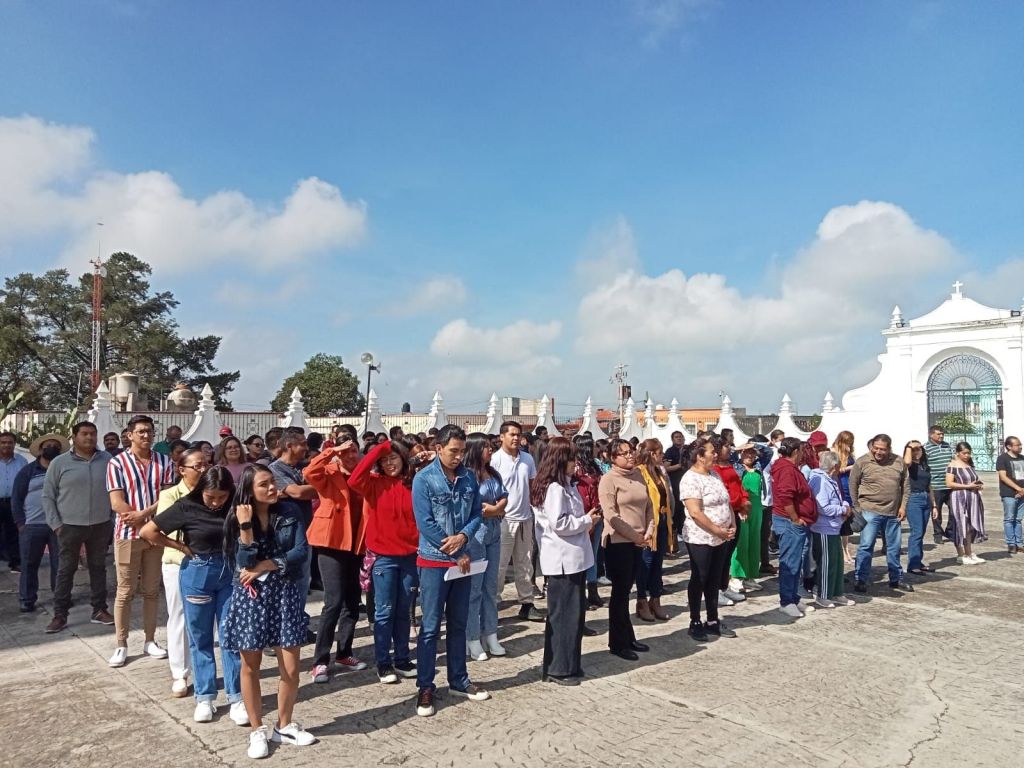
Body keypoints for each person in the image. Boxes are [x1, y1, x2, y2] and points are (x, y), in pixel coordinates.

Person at [220, 465, 315, 758]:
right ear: (249, 491)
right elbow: (244, 562)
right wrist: (246, 526)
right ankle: (257, 729)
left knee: (291, 668)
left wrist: (267, 564)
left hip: (285, 592)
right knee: (251, 666)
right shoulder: (237, 518)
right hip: (251, 597)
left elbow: (301, 551)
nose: (272, 488)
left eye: (272, 482)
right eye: (264, 484)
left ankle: (284, 725)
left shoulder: (289, 512)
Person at [141, 466, 247, 726]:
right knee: (200, 637)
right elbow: (148, 532)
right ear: (202, 491)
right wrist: (179, 546)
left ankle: (237, 697)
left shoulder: (236, 505)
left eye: (221, 497)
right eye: (210, 497)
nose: (216, 503)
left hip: (230, 571)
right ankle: (205, 696)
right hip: (198, 571)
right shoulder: (186, 506)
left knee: (231, 636)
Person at [411, 425, 489, 718]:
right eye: (453, 451)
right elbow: (425, 523)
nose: (458, 457)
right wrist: (455, 550)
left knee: (459, 622)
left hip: (463, 562)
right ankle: (425, 686)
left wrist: (465, 537)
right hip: (435, 561)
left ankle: (459, 679)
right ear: (438, 448)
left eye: (461, 451)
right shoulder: (424, 479)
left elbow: (476, 513)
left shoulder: (468, 477)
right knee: (430, 627)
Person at [346, 439, 420, 683]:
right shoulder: (373, 483)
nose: (389, 464)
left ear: (403, 459)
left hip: (410, 557)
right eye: (384, 461)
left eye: (394, 458)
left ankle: (402, 658)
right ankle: (383, 662)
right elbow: (354, 479)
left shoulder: (414, 482)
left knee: (403, 611)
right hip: (384, 558)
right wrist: (381, 447)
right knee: (384, 611)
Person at [106, 414, 176, 667]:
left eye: (149, 431)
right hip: (128, 534)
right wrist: (138, 520)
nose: (146, 435)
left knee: (151, 590)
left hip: (156, 533)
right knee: (125, 591)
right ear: (130, 435)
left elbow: (167, 497)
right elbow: (117, 501)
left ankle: (150, 639)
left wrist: (145, 517)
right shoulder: (117, 463)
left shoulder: (164, 462)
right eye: (141, 431)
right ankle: (121, 643)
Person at [533, 437, 598, 685]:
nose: (575, 464)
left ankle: (570, 663)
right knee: (563, 617)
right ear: (560, 460)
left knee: (574, 615)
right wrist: (587, 521)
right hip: (562, 560)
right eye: (571, 459)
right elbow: (559, 523)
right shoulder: (554, 488)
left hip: (574, 558)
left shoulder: (566, 485)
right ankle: (558, 668)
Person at [303, 438, 369, 681]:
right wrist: (330, 451)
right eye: (346, 452)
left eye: (354, 451)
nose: (351, 455)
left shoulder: (364, 474)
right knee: (333, 601)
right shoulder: (329, 471)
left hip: (356, 542)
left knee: (352, 601)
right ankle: (320, 660)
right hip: (331, 541)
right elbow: (309, 472)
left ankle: (344, 652)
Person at [42, 422, 114, 632]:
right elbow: (48, 495)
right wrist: (56, 524)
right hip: (69, 526)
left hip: (100, 524)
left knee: (98, 568)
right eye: (84, 434)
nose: (89, 438)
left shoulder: (107, 460)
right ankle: (60, 615)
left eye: (93, 434)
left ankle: (99, 609)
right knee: (66, 569)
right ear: (74, 437)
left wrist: (111, 518)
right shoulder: (60, 463)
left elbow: (116, 489)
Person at [151, 447, 207, 697]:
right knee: (179, 617)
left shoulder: (212, 493)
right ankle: (180, 673)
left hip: (209, 563)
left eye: (206, 464)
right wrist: (182, 547)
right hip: (178, 563)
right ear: (181, 470)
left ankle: (205, 670)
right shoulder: (170, 495)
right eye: (197, 466)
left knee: (207, 620)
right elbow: (158, 531)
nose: (203, 470)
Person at [597, 438, 653, 661]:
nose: (630, 456)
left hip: (639, 540)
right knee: (619, 594)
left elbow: (649, 506)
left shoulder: (638, 474)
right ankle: (617, 642)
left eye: (631, 451)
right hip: (618, 542)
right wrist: (635, 536)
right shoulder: (608, 480)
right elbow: (611, 514)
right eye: (624, 453)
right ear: (613, 458)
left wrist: (649, 531)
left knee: (628, 591)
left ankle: (629, 637)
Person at [679, 437, 738, 639]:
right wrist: (716, 529)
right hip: (701, 536)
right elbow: (695, 512)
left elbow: (725, 501)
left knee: (715, 577)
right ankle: (695, 620)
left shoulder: (714, 475)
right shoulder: (690, 479)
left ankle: (712, 619)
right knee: (700, 577)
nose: (715, 454)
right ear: (700, 456)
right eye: (712, 451)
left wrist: (732, 523)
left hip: (721, 537)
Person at [491, 421, 544, 622]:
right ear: (501, 437)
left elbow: (531, 485)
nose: (515, 438)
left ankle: (527, 603)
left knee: (525, 564)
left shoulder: (527, 459)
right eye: (511, 434)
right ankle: (493, 604)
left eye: (518, 434)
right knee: (500, 565)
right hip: (503, 520)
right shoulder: (495, 460)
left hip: (525, 518)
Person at [462, 433, 509, 661]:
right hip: (477, 533)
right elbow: (472, 505)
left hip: (494, 530)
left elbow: (504, 496)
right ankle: (471, 636)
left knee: (491, 586)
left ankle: (490, 633)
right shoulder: (467, 475)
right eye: (486, 447)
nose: (490, 450)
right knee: (474, 589)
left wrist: (498, 508)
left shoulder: (493, 473)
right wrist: (493, 509)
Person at [850, 434, 912, 593]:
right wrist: (857, 507)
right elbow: (853, 485)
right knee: (866, 546)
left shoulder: (898, 462)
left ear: (889, 449)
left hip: (893, 513)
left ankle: (896, 579)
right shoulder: (862, 462)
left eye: (882, 449)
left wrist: (903, 507)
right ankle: (861, 579)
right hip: (869, 511)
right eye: (875, 448)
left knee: (894, 547)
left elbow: (906, 487)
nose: (878, 452)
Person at [12, 433, 67, 612]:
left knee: (60, 565)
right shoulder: (27, 471)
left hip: (58, 526)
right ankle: (27, 599)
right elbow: (16, 498)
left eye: (55, 446)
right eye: (47, 445)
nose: (51, 448)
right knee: (29, 564)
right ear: (41, 449)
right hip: (32, 525)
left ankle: (61, 598)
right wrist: (21, 523)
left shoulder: (63, 469)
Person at [771, 437, 817, 618]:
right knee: (789, 563)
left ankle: (793, 597)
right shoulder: (786, 469)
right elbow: (785, 496)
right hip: (789, 522)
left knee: (795, 562)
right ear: (796, 451)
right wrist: (795, 518)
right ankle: (786, 601)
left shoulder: (788, 467)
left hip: (790, 521)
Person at [634, 438, 675, 622]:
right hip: (648, 523)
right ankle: (641, 600)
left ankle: (655, 599)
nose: (663, 456)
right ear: (651, 454)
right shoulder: (639, 472)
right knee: (646, 562)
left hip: (663, 520)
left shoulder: (659, 471)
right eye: (660, 453)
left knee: (658, 562)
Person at [807, 451, 854, 607]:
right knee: (826, 564)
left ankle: (837, 592)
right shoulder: (819, 480)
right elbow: (823, 507)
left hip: (834, 527)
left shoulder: (831, 479)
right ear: (835, 465)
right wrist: (843, 510)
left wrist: (845, 505)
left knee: (837, 563)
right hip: (823, 528)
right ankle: (823, 595)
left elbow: (839, 498)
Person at [711, 437, 748, 606]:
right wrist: (739, 503)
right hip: (724, 514)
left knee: (727, 554)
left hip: (735, 513)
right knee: (720, 556)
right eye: (726, 446)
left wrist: (744, 501)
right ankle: (715, 590)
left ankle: (724, 587)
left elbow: (738, 486)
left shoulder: (730, 465)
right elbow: (724, 493)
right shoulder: (714, 469)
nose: (729, 448)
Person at [572, 434, 604, 612]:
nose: (596, 449)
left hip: (597, 513)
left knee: (593, 554)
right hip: (583, 515)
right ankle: (581, 594)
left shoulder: (595, 466)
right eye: (592, 446)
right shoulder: (576, 468)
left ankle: (593, 590)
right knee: (582, 555)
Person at [945, 442, 987, 565]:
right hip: (959, 498)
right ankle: (960, 554)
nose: (967, 455)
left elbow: (973, 480)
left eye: (968, 453)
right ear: (958, 453)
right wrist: (967, 486)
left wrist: (977, 486)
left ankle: (969, 553)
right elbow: (949, 483)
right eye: (964, 453)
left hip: (972, 497)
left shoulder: (969, 465)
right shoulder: (952, 465)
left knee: (968, 526)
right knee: (960, 525)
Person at [731, 447, 764, 593]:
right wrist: (740, 447)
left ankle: (749, 576)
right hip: (742, 507)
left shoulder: (758, 467)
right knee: (741, 542)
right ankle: (736, 576)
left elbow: (767, 451)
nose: (750, 455)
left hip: (757, 508)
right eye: (747, 452)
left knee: (754, 542)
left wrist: (754, 445)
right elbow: (729, 454)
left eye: (752, 453)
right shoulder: (736, 467)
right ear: (741, 453)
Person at [902, 441, 937, 575]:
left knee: (921, 532)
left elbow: (930, 487)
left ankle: (918, 562)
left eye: (919, 449)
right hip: (913, 498)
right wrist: (910, 447)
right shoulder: (908, 466)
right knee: (916, 532)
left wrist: (934, 505)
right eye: (914, 450)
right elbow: (906, 462)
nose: (917, 451)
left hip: (925, 498)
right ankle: (913, 565)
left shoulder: (924, 466)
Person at [0, 430, 28, 573]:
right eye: (3, 442)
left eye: (10, 442)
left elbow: (26, 482)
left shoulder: (22, 461)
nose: (6, 445)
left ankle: (16, 563)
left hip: (14, 502)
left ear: (14, 444)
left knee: (14, 533)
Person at [922, 426, 954, 545]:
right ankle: (938, 534)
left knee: (955, 510)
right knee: (936, 512)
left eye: (942, 434)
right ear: (931, 435)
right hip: (935, 486)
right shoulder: (926, 448)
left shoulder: (947, 446)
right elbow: (924, 466)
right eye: (938, 434)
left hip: (950, 485)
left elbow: (953, 460)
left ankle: (950, 531)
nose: (941, 436)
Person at [995, 436, 1024, 554]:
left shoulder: (1022, 458)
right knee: (1009, 519)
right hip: (1009, 494)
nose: (1020, 447)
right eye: (1017, 445)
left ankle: (1019, 543)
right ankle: (1011, 544)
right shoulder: (1002, 458)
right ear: (1009, 446)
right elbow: (1003, 477)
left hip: (1022, 494)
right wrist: (1018, 488)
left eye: (1020, 444)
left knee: (1018, 519)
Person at [831, 431, 857, 563]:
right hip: (840, 484)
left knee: (847, 520)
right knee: (841, 518)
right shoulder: (833, 452)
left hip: (849, 486)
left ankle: (846, 549)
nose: (850, 445)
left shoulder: (850, 452)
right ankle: (841, 550)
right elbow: (836, 471)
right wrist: (850, 467)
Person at [663, 431, 687, 540]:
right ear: (672, 439)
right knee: (677, 506)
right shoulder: (670, 451)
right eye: (676, 437)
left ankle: (683, 529)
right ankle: (676, 530)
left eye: (681, 437)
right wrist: (679, 465)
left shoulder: (686, 450)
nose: (679, 439)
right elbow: (666, 468)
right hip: (675, 482)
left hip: (686, 481)